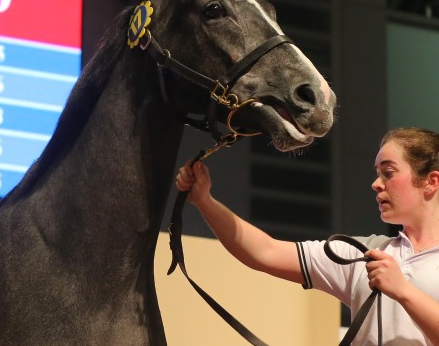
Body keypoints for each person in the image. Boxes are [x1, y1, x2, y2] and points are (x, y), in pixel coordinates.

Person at [176, 127, 439, 345]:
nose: (376, 183)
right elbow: (264, 251)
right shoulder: (365, 253)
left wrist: (403, 291)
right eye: (377, 173)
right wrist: (204, 201)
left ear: (431, 181)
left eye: (389, 172)